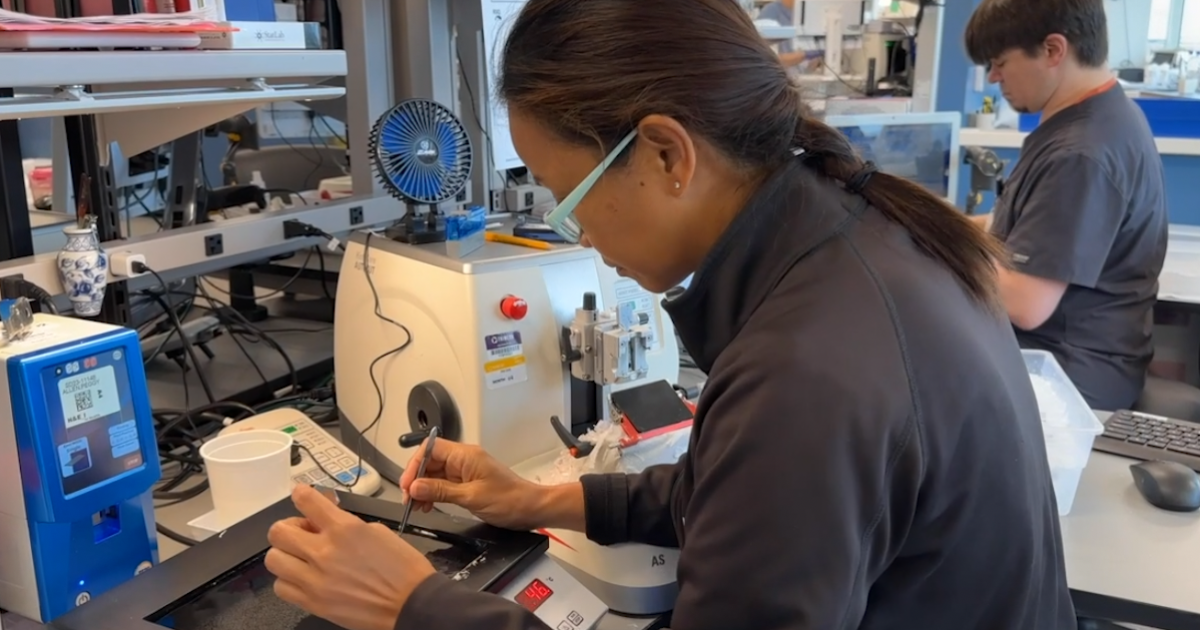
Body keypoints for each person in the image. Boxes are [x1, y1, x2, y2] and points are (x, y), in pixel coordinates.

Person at [262, 1, 1076, 629]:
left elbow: (775, 462)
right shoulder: (869, 233)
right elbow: (742, 495)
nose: (573, 228)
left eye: (566, 193)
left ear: (666, 153)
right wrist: (542, 500)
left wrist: (414, 605)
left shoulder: (801, 375)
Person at [964, 0, 1169, 410]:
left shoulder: (1081, 153)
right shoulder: (1100, 116)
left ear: (1054, 50)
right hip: (1061, 357)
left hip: (1068, 377)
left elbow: (1024, 302)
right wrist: (925, 221)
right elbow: (1018, 228)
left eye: (1001, 62)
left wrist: (930, 250)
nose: (993, 77)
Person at [757, 0, 823, 69]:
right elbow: (769, 59)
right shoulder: (770, 11)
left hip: (808, 73)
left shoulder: (813, 11)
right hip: (780, 74)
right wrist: (805, 55)